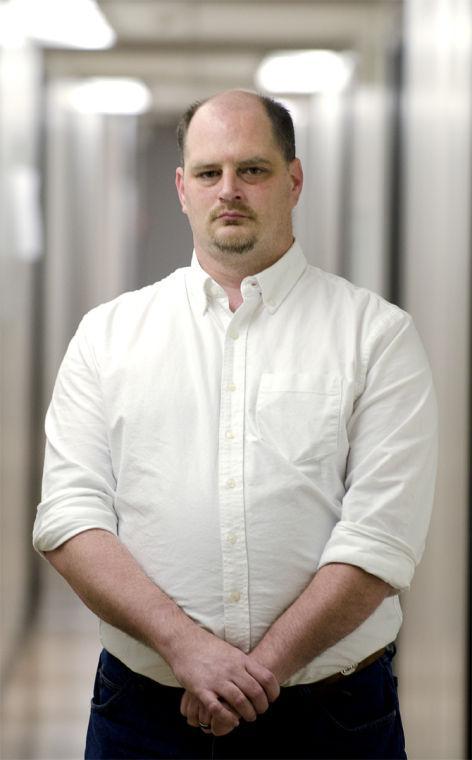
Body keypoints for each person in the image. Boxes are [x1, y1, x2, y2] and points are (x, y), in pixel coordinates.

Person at [33, 89, 437, 759]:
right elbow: (69, 518)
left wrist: (259, 670)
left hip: (333, 722)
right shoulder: (107, 336)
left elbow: (380, 539)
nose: (229, 190)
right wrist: (187, 649)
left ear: (293, 180)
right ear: (182, 187)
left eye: (253, 170)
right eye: (208, 172)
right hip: (143, 716)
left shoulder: (377, 336)